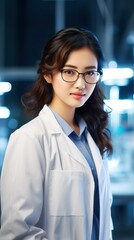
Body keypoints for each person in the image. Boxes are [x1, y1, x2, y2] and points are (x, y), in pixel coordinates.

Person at [0, 27, 113, 240]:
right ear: (48, 74)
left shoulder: (94, 138)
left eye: (90, 73)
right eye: (69, 72)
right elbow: (18, 232)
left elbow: (101, 222)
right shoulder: (29, 140)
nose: (81, 83)